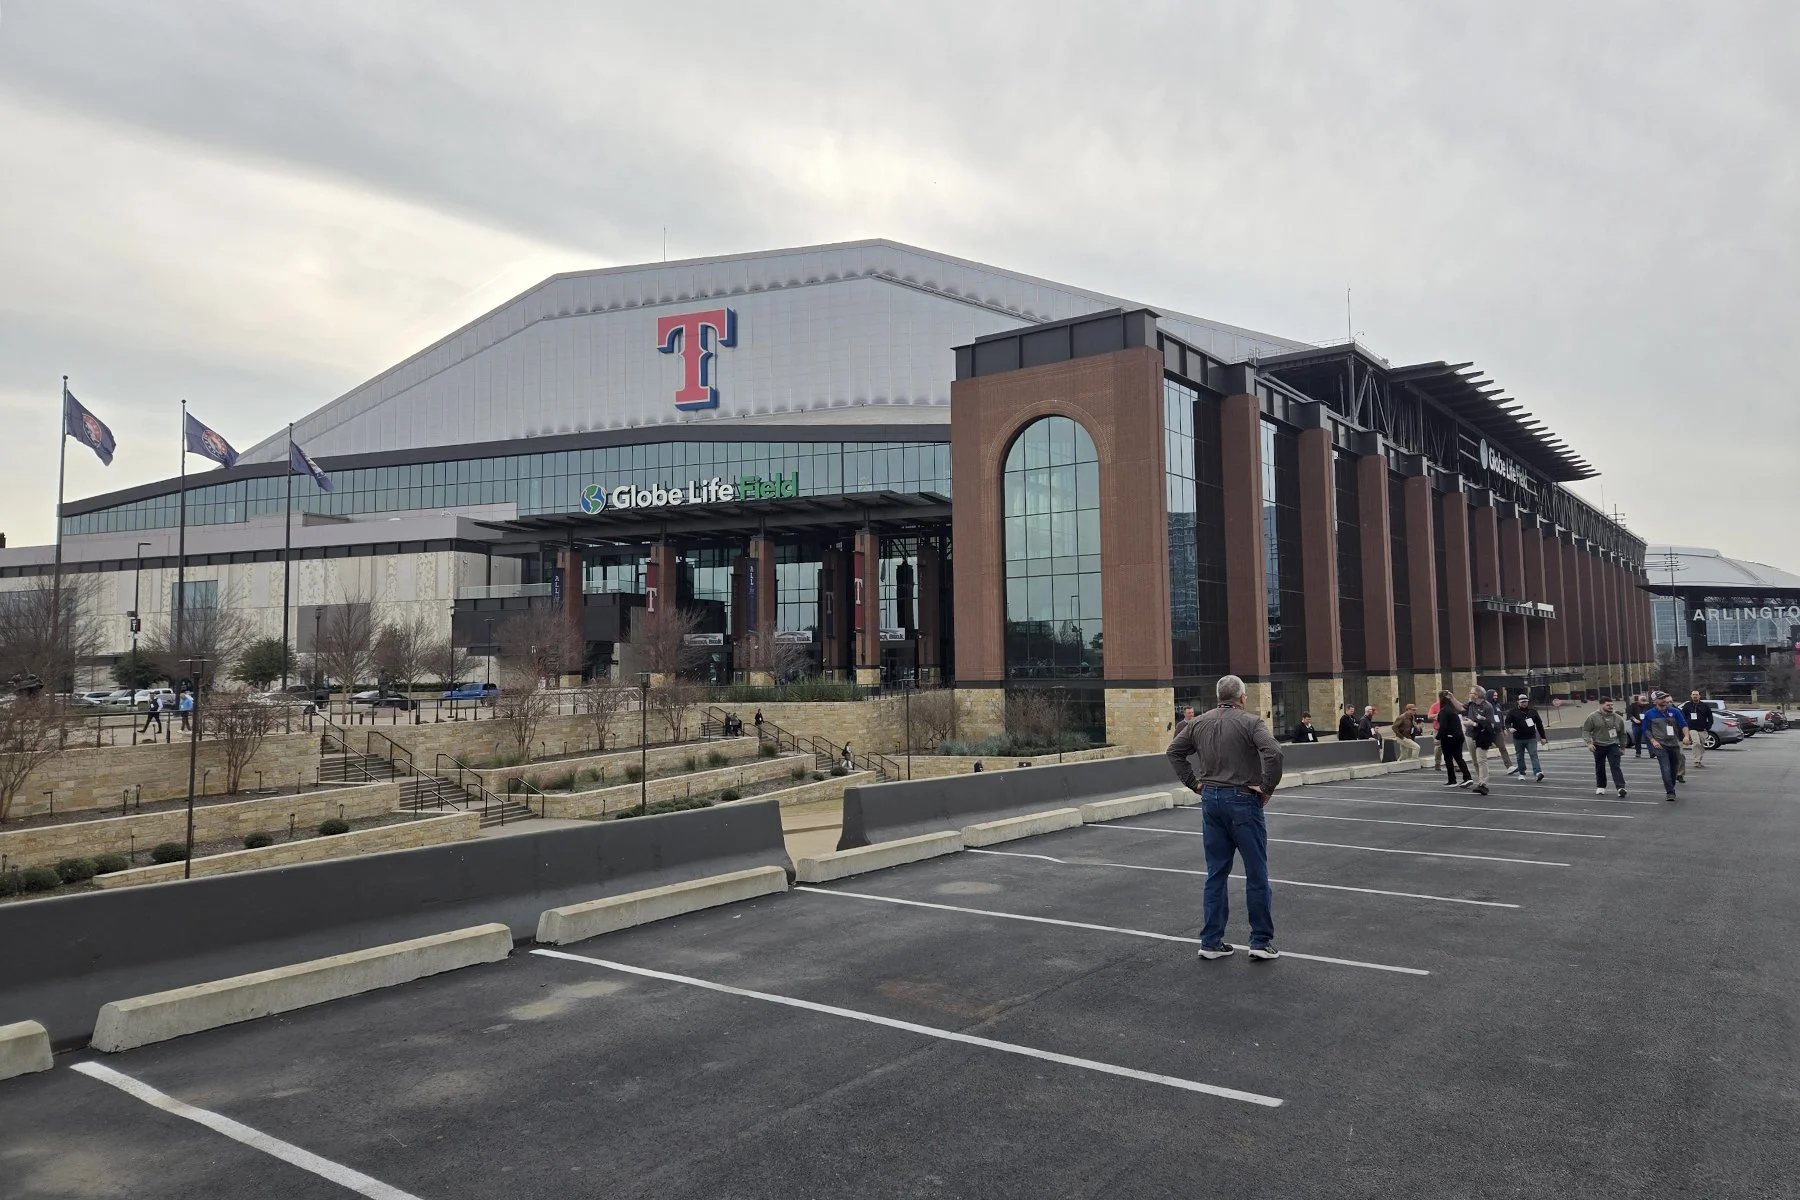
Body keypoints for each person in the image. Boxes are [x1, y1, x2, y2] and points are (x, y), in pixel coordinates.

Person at [1166, 674, 1284, 961]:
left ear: (1218, 697)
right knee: (1256, 872)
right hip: (1243, 800)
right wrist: (1266, 787)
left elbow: (1174, 751)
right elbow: (1274, 751)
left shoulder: (1198, 722)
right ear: (1242, 698)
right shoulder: (1251, 722)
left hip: (1211, 800)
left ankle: (1211, 942)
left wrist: (1194, 784)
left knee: (1216, 873)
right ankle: (1259, 941)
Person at [1641, 692, 1691, 801]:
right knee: (1665, 768)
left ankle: (1670, 786)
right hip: (1660, 746)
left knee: (1673, 770)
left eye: (1664, 697)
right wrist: (1653, 741)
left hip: (1674, 744)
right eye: (1660, 698)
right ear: (1654, 701)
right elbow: (1645, 729)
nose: (1664, 700)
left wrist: (1686, 736)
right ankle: (1670, 792)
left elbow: (1683, 724)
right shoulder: (1650, 714)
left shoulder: (1674, 711)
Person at [1581, 697, 1631, 796]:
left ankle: (1620, 788)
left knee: (1615, 766)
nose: (1610, 707)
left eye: (1611, 705)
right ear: (1601, 705)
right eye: (1608, 705)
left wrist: (1623, 747)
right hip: (1598, 745)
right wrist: (1589, 743)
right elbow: (1586, 730)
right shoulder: (1593, 717)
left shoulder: (1617, 718)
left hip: (1613, 745)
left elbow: (1622, 733)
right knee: (1600, 766)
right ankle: (1601, 786)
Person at [1463, 686, 1499, 794]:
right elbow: (1459, 707)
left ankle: (1484, 783)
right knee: (1475, 761)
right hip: (1470, 734)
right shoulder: (1470, 704)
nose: (1470, 694)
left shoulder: (1487, 707)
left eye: (1471, 693)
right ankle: (1480, 782)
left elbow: (1489, 724)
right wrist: (1450, 698)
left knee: (1481, 760)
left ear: (1477, 695)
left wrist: (1473, 723)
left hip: (1482, 736)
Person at [1505, 694, 1548, 782]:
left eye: (1526, 702)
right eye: (1522, 702)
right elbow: (1507, 722)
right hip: (1518, 738)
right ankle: (1522, 773)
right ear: (1518, 702)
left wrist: (1543, 737)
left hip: (1531, 738)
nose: (1524, 703)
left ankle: (1538, 772)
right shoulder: (1513, 712)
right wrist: (1509, 728)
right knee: (1520, 756)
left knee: (1533, 754)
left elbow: (1539, 725)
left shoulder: (1533, 711)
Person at [1435, 691, 1472, 787]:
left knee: (1448, 759)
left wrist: (1437, 737)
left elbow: (1443, 727)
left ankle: (1452, 780)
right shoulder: (1453, 710)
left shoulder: (1443, 711)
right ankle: (1467, 777)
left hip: (1448, 737)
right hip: (1459, 736)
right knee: (1459, 758)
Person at [1680, 690, 1714, 770]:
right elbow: (1682, 717)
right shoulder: (1687, 705)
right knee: (1696, 743)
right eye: (1693, 695)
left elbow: (1710, 717)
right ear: (1691, 696)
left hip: (1702, 729)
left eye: (1696, 695)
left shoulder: (1704, 706)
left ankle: (1699, 760)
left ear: (1699, 696)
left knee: (1701, 746)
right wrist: (1685, 727)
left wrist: (1708, 727)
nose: (1695, 696)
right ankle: (1696, 761)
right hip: (1691, 729)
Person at [1488, 690, 1516, 775]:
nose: (1496, 697)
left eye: (1496, 695)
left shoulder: (1498, 705)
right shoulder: (1485, 705)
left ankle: (1509, 766)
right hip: (1487, 731)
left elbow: (1501, 717)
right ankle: (1482, 768)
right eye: (1494, 695)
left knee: (1502, 747)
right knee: (1482, 750)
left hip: (1497, 731)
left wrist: (1503, 728)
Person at [1428, 696, 1444, 769]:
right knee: (1438, 747)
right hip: (1438, 729)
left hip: (1449, 729)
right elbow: (1429, 716)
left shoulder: (1451, 705)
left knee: (1452, 747)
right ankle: (1437, 763)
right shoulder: (1435, 706)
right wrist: (1438, 715)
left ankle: (1455, 765)